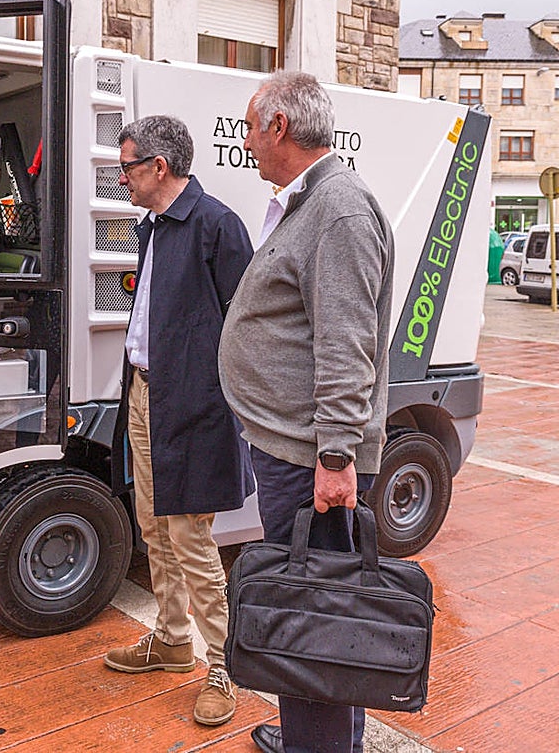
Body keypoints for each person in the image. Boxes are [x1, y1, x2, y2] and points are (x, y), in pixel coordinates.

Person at [219, 71, 394, 753]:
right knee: (321, 613)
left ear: (279, 127)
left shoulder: (338, 209)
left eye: (250, 127)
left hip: (310, 460)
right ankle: (321, 739)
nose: (247, 141)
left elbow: (346, 344)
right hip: (297, 450)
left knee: (311, 618)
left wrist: (336, 457)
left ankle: (316, 745)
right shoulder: (314, 202)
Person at [102, 115, 255, 727]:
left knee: (190, 534)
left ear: (158, 167)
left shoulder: (217, 226)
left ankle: (224, 663)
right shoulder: (154, 227)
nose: (122, 179)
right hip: (146, 394)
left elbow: (247, 329)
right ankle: (170, 639)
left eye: (127, 168)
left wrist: (220, 402)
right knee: (154, 525)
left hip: (194, 405)